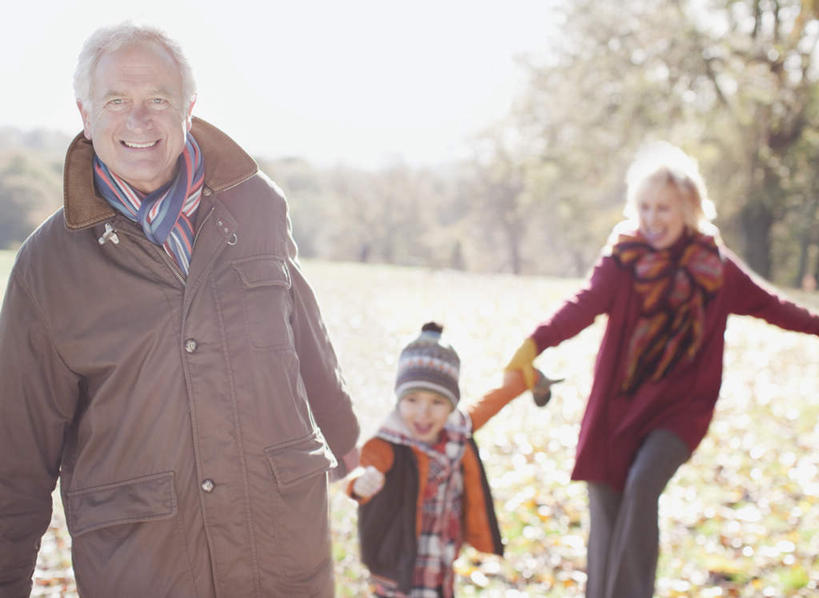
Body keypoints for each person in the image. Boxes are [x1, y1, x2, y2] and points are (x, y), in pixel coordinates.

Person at [0, 23, 359, 598]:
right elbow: (14, 455)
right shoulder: (48, 266)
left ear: (189, 108)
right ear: (85, 115)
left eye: (159, 100)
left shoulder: (256, 204)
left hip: (282, 554)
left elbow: (302, 334)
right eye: (116, 101)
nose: (139, 121)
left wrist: (348, 440)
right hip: (145, 566)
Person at [504, 141, 819, 598]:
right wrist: (535, 343)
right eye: (645, 207)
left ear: (689, 207)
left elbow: (775, 307)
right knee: (607, 513)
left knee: (642, 484)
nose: (652, 218)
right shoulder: (623, 260)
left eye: (664, 208)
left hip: (680, 410)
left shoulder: (715, 269)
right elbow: (583, 305)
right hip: (618, 408)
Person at [347, 322, 551, 598]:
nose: (423, 413)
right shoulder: (389, 442)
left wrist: (524, 378)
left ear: (451, 405)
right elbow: (366, 468)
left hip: (441, 557)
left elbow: (491, 402)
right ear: (398, 401)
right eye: (412, 400)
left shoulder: (457, 430)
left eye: (437, 402)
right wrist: (360, 484)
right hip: (400, 565)